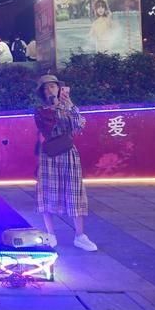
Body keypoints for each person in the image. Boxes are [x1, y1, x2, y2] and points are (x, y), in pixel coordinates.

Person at [34, 75, 96, 251]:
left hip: (68, 153)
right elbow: (48, 127)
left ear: (59, 88)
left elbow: (79, 126)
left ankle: (80, 236)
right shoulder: (40, 110)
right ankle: (50, 234)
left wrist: (68, 104)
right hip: (49, 155)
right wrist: (56, 107)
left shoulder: (68, 107)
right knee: (47, 193)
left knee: (75, 192)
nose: (49, 90)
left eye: (52, 86)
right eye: (46, 88)